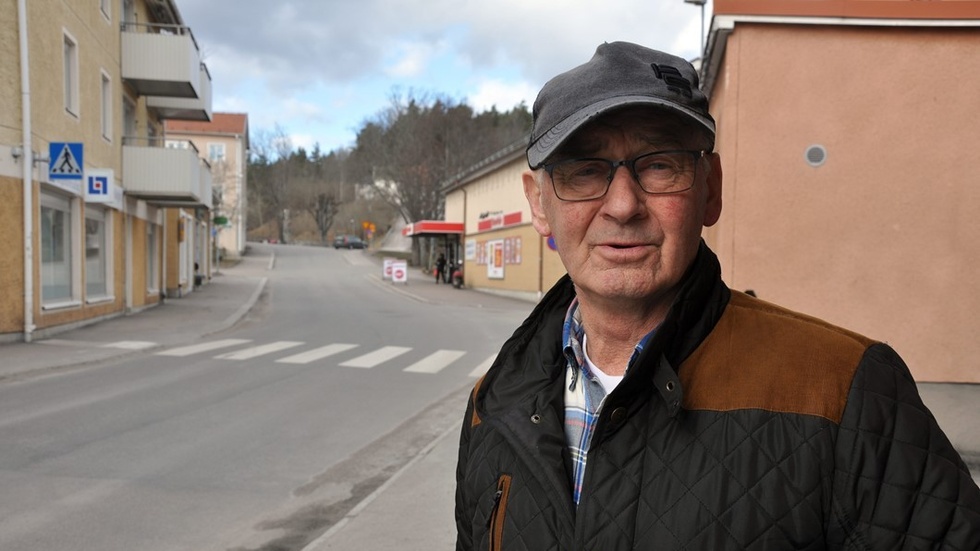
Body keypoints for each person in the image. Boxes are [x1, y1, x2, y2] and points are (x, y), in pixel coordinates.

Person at [454, 41, 980, 550]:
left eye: (659, 165)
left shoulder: (846, 393)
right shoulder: (493, 403)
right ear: (539, 205)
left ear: (710, 189)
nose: (622, 205)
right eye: (584, 170)